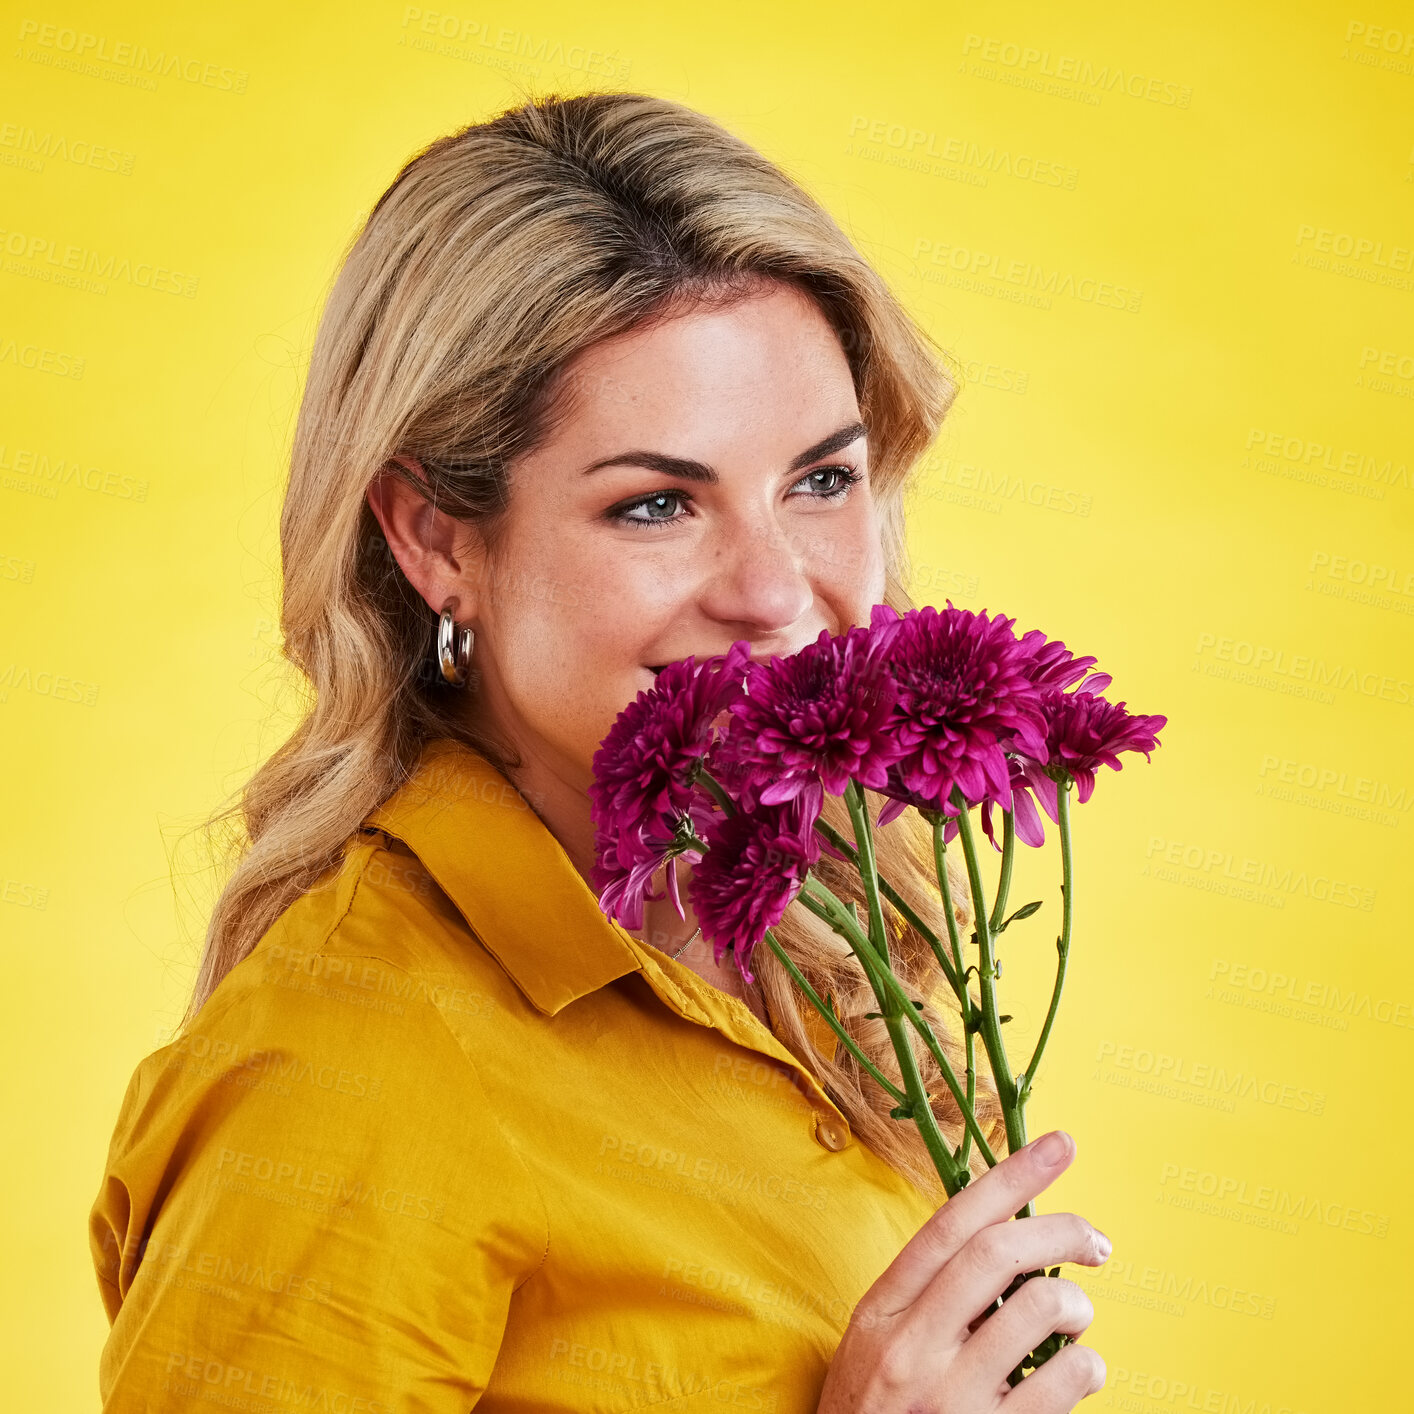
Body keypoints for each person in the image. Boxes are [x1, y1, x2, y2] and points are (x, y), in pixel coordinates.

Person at [88, 90, 1111, 1412]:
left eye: (819, 479)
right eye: (654, 504)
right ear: (435, 540)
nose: (776, 590)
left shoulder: (835, 919)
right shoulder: (337, 1069)